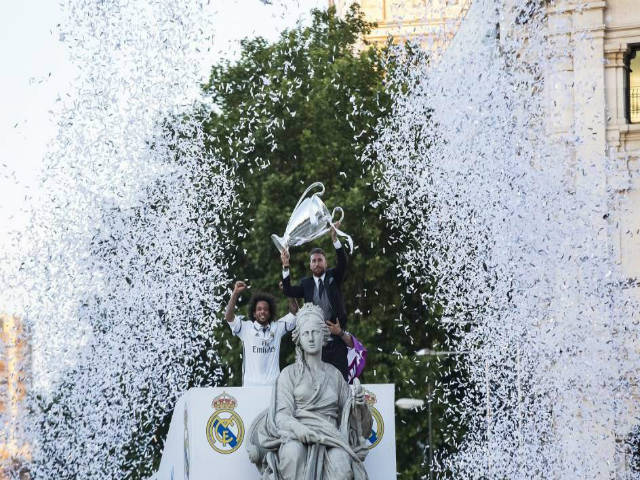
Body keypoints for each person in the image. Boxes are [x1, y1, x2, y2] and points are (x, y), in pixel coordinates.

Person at [247, 304, 372, 480]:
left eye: (315, 332)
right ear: (299, 338)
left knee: (341, 464)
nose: (311, 338)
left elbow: (351, 421)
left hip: (331, 437)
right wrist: (299, 429)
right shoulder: (289, 374)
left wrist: (359, 405)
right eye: (306, 333)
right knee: (292, 453)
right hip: (298, 435)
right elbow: (282, 417)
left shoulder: (335, 375)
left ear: (324, 336)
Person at [280, 223, 354, 380]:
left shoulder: (334, 276)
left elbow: (343, 263)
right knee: (317, 380)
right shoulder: (305, 283)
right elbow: (288, 291)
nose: (317, 263)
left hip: (337, 334)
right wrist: (286, 267)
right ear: (310, 265)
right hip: (316, 340)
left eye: (320, 260)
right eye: (313, 261)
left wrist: (335, 239)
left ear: (325, 263)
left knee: (341, 379)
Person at [224, 280, 298, 387]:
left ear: (270, 313)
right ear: (254, 314)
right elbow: (229, 317)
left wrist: (288, 291)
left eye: (266, 309)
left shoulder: (277, 327)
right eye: (259, 309)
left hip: (273, 386)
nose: (262, 311)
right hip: (251, 386)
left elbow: (295, 313)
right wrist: (235, 293)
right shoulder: (246, 328)